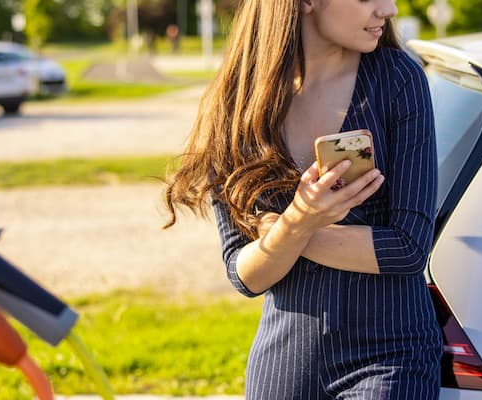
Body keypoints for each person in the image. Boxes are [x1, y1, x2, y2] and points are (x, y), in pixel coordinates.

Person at [163, 0, 440, 398]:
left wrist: (286, 232)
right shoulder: (239, 104)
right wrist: (298, 220)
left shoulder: (399, 79)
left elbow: (408, 248)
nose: (389, 9)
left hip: (391, 358)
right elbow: (246, 274)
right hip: (285, 365)